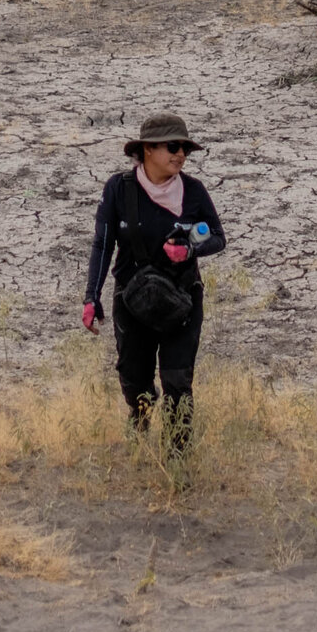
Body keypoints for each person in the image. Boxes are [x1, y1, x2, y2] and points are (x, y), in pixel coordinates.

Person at [82, 112, 225, 450]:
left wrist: (189, 249)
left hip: (183, 300)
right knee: (135, 382)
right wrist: (92, 297)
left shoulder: (194, 192)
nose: (180, 155)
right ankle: (140, 422)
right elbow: (102, 244)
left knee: (178, 381)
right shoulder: (118, 189)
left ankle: (178, 458)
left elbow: (218, 237)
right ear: (147, 150)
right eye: (172, 146)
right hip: (131, 302)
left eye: (185, 149)